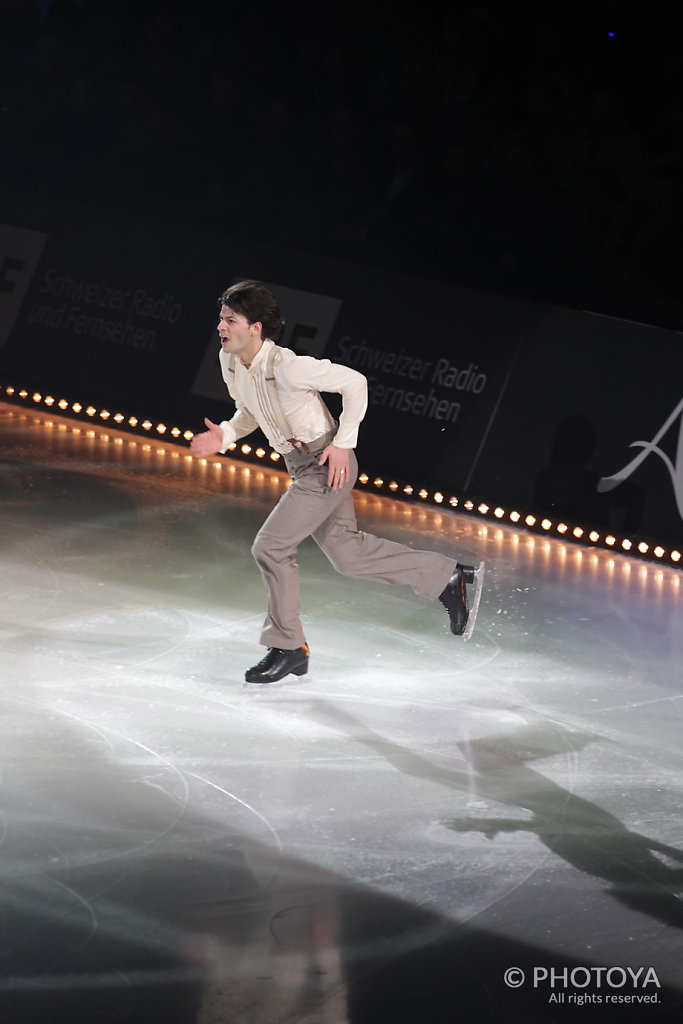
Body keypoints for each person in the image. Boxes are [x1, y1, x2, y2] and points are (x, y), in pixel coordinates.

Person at [190, 280, 483, 684]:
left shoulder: (289, 367)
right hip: (299, 464)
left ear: (255, 328)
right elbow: (250, 411)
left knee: (271, 547)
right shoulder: (230, 362)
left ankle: (288, 646)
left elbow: (355, 383)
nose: (220, 326)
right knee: (349, 555)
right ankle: (447, 576)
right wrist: (223, 435)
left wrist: (344, 444)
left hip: (326, 463)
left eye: (230, 319)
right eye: (220, 318)